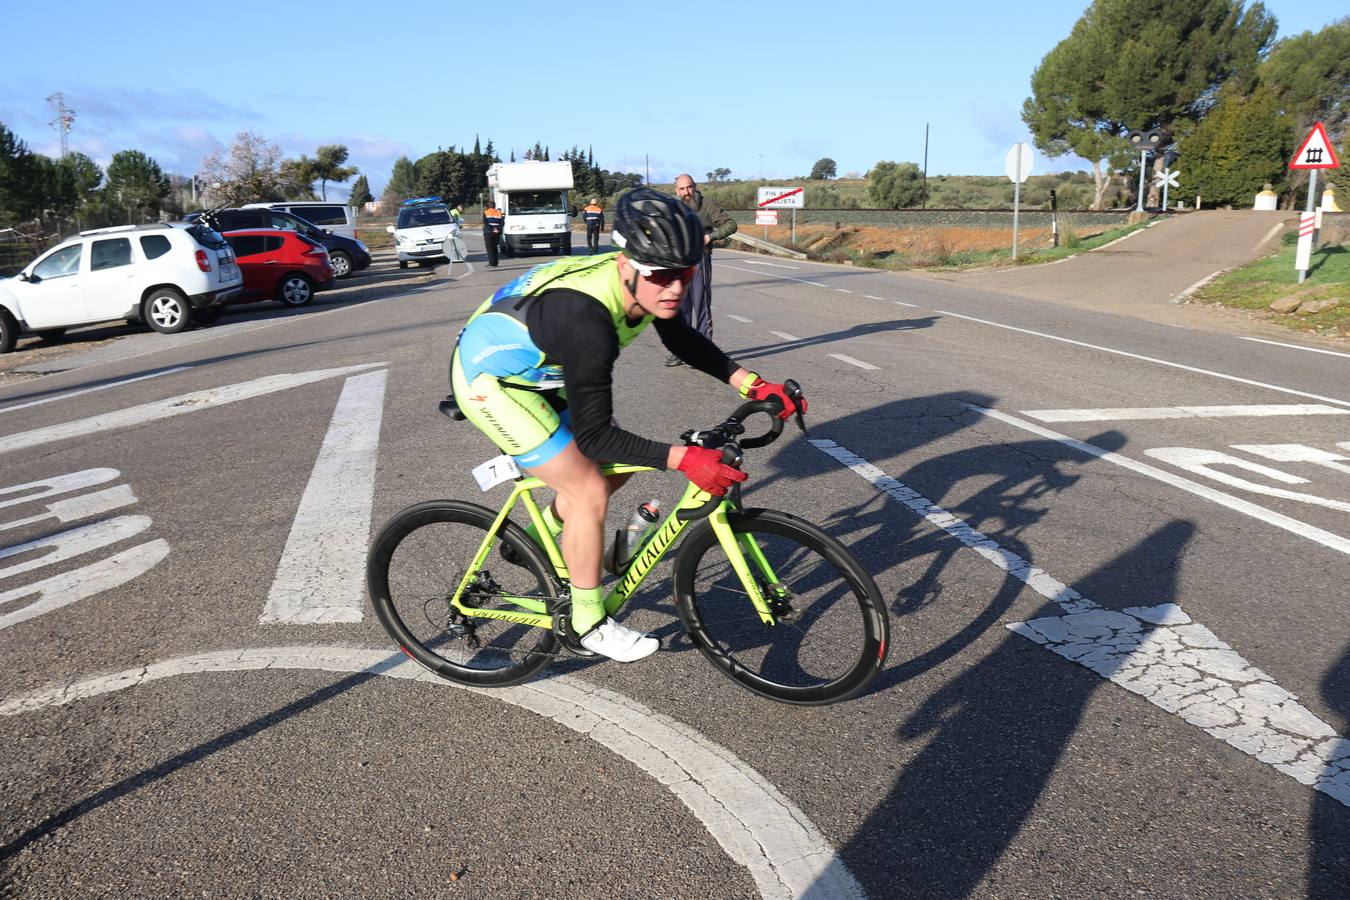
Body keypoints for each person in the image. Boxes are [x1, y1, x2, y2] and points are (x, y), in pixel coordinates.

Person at [449, 189, 806, 661]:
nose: (675, 289)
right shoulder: (588, 319)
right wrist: (683, 459)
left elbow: (681, 337)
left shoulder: (646, 287)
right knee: (588, 489)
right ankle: (587, 622)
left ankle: (531, 544)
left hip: (547, 368)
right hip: (490, 380)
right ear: (626, 266)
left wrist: (753, 385)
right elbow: (596, 435)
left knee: (615, 467)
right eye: (661, 276)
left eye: (685, 274)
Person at [667, 174, 737, 366]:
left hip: (699, 260)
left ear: (695, 187)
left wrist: (711, 236)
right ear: (676, 190)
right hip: (678, 263)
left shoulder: (707, 205)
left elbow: (731, 224)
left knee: (701, 305)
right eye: (682, 189)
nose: (686, 192)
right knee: (681, 308)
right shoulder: (672, 206)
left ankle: (703, 351)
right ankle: (681, 351)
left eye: (689, 187)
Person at [482, 200, 504, 267]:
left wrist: (492, 229)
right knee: (495, 247)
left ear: (488, 206)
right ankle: (496, 263)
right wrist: (498, 229)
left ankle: (492, 263)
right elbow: (502, 222)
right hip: (497, 233)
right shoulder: (499, 212)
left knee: (490, 248)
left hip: (489, 232)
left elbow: (485, 223)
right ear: (494, 206)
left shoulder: (485, 212)